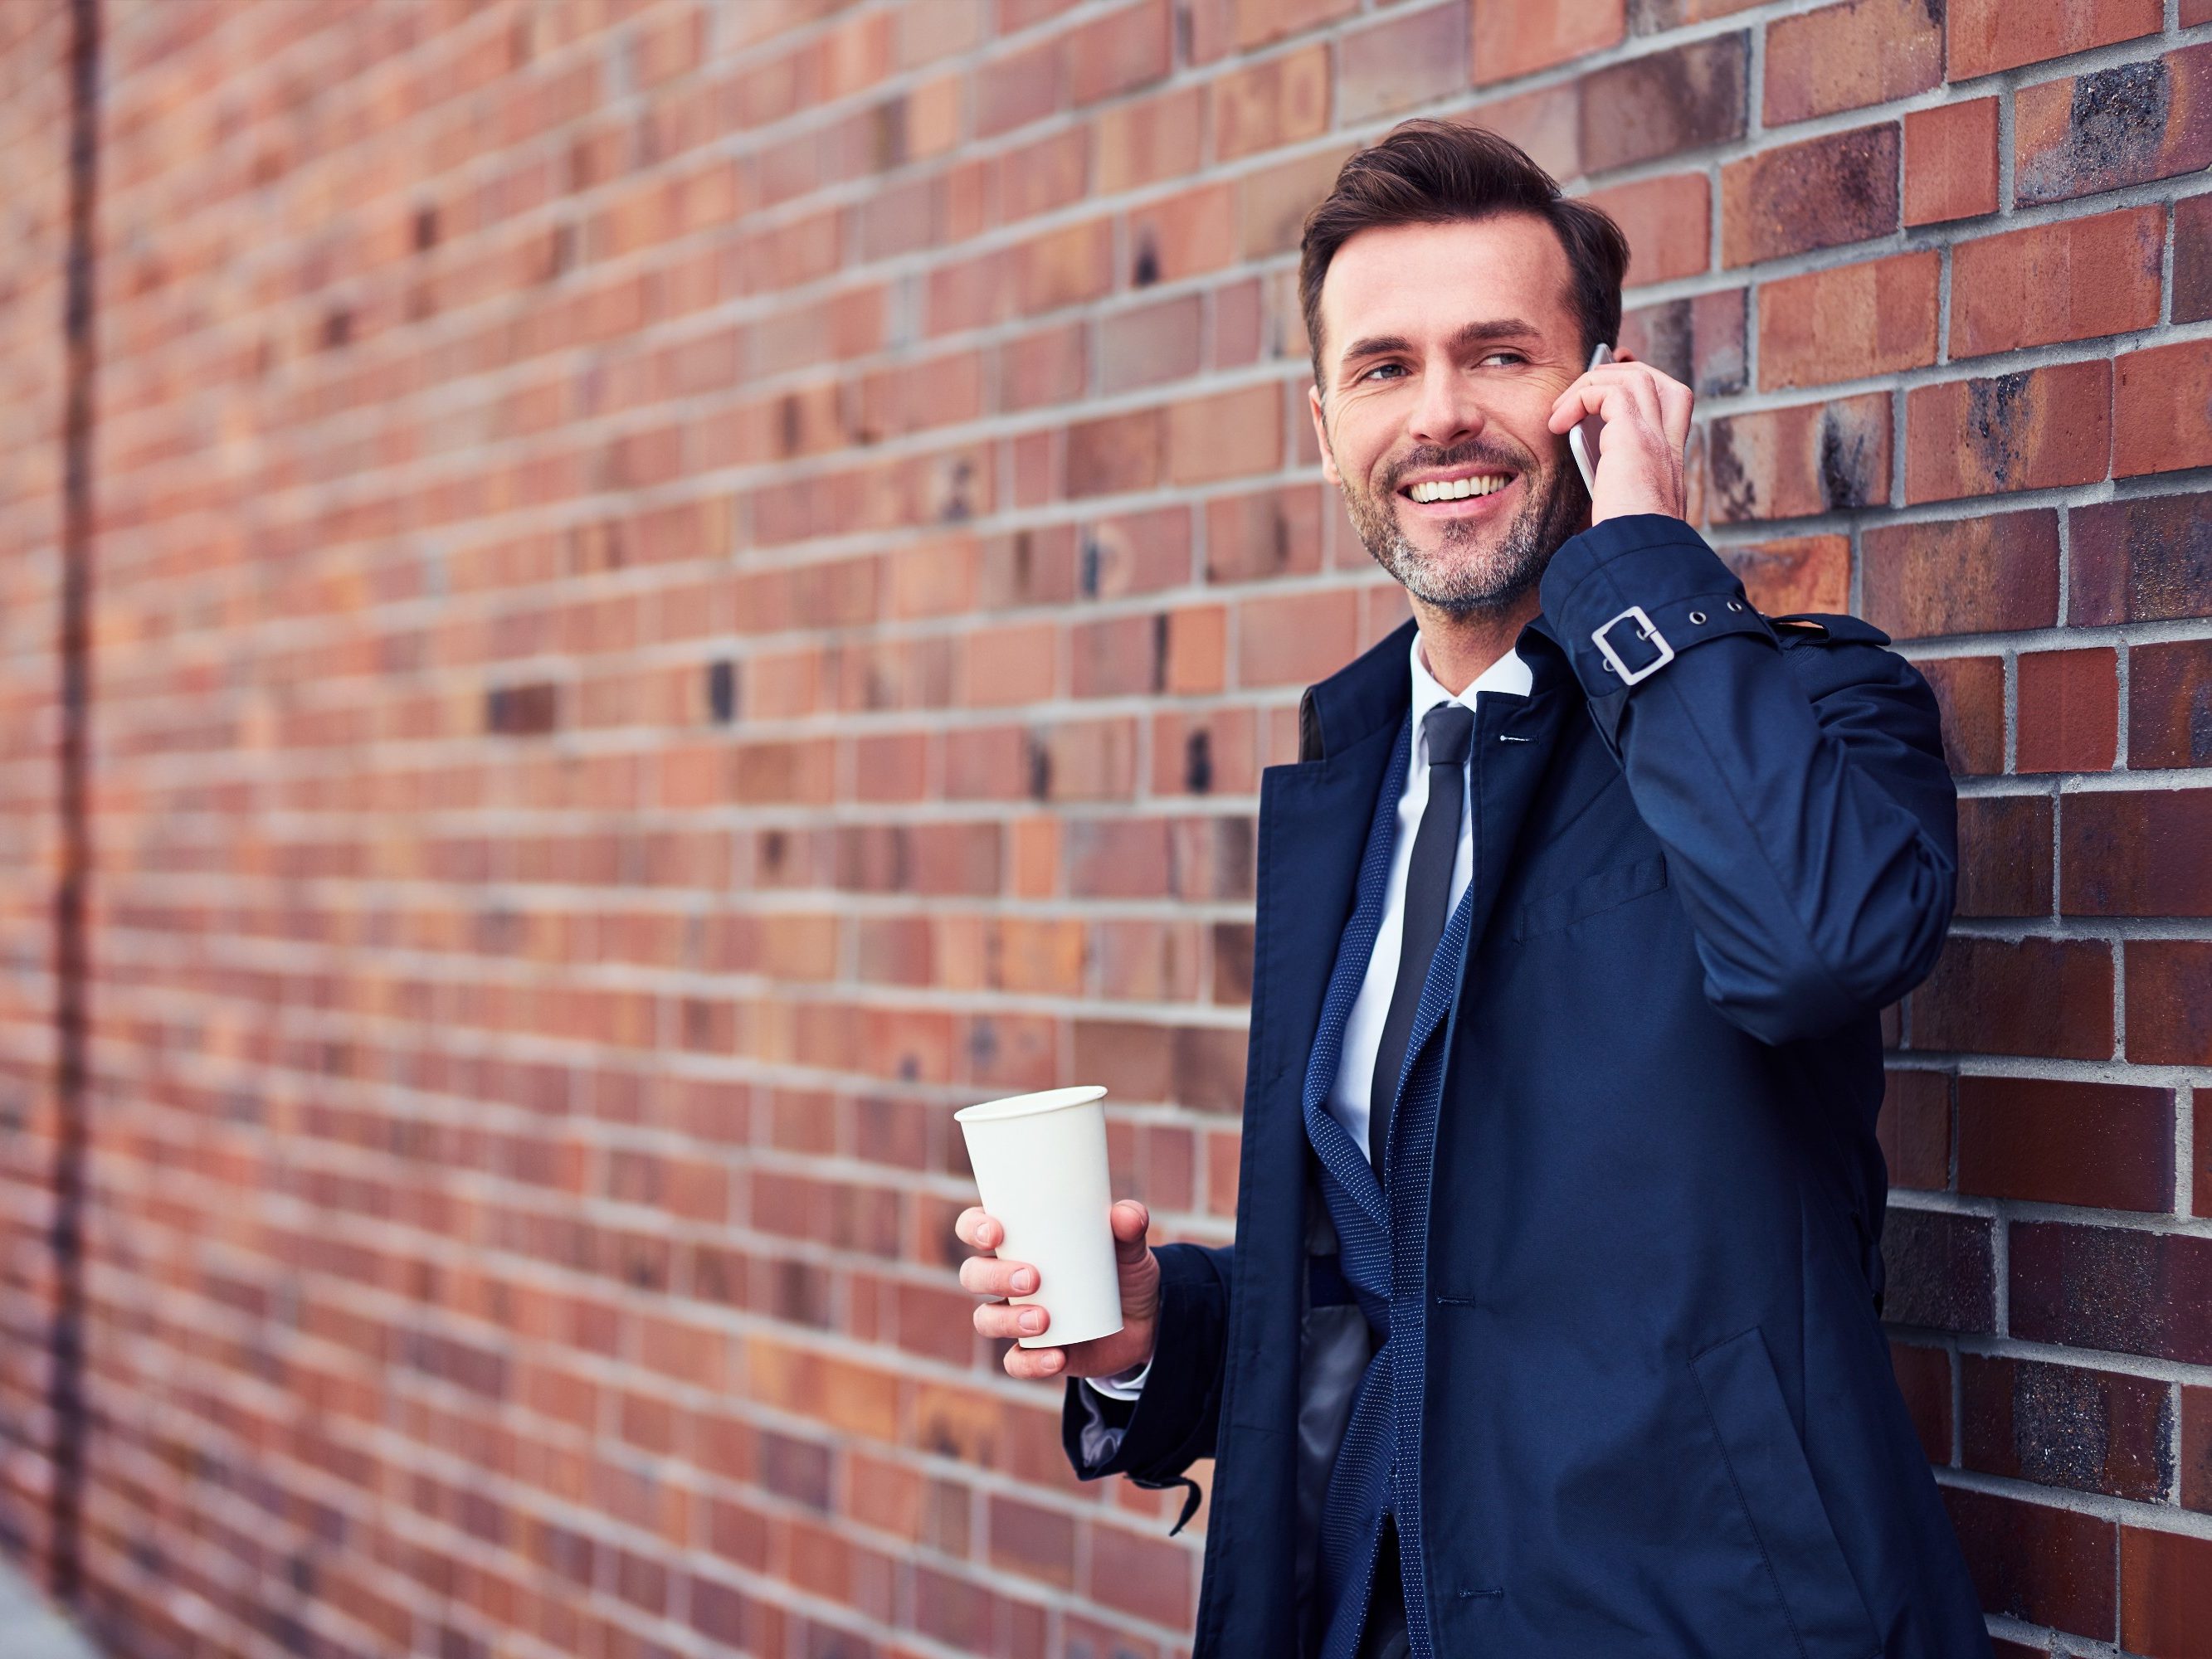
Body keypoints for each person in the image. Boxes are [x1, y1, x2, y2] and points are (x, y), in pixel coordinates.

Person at [952, 119, 1991, 1658]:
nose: (1438, 417)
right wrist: (1160, 1334)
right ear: (1322, 426)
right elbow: (1418, 1286)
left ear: (1597, 394)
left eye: (1495, 356)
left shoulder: (1806, 706)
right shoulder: (1357, 774)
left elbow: (1817, 944)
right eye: (1383, 370)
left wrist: (1640, 550)